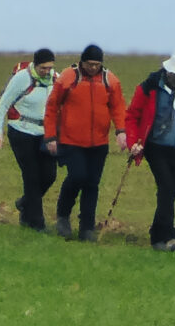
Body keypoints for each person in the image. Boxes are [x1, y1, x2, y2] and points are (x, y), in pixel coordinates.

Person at [123, 52, 175, 252]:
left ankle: (158, 232)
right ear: (169, 72)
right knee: (167, 187)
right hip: (155, 146)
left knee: (170, 191)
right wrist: (132, 142)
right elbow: (132, 115)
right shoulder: (149, 88)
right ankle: (167, 237)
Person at [44, 44, 125, 242]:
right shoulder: (68, 78)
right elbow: (52, 107)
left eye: (97, 65)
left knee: (92, 183)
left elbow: (118, 107)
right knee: (77, 176)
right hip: (71, 140)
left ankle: (87, 227)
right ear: (82, 62)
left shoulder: (110, 81)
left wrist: (121, 131)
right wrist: (50, 136)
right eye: (90, 64)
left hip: (99, 142)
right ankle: (63, 215)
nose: (93, 68)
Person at [0, 49, 60, 230]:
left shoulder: (55, 79)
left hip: (45, 133)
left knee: (50, 175)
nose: (47, 71)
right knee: (32, 177)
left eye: (50, 67)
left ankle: (25, 203)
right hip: (21, 132)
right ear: (36, 65)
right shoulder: (22, 78)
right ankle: (37, 224)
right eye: (43, 68)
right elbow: (3, 104)